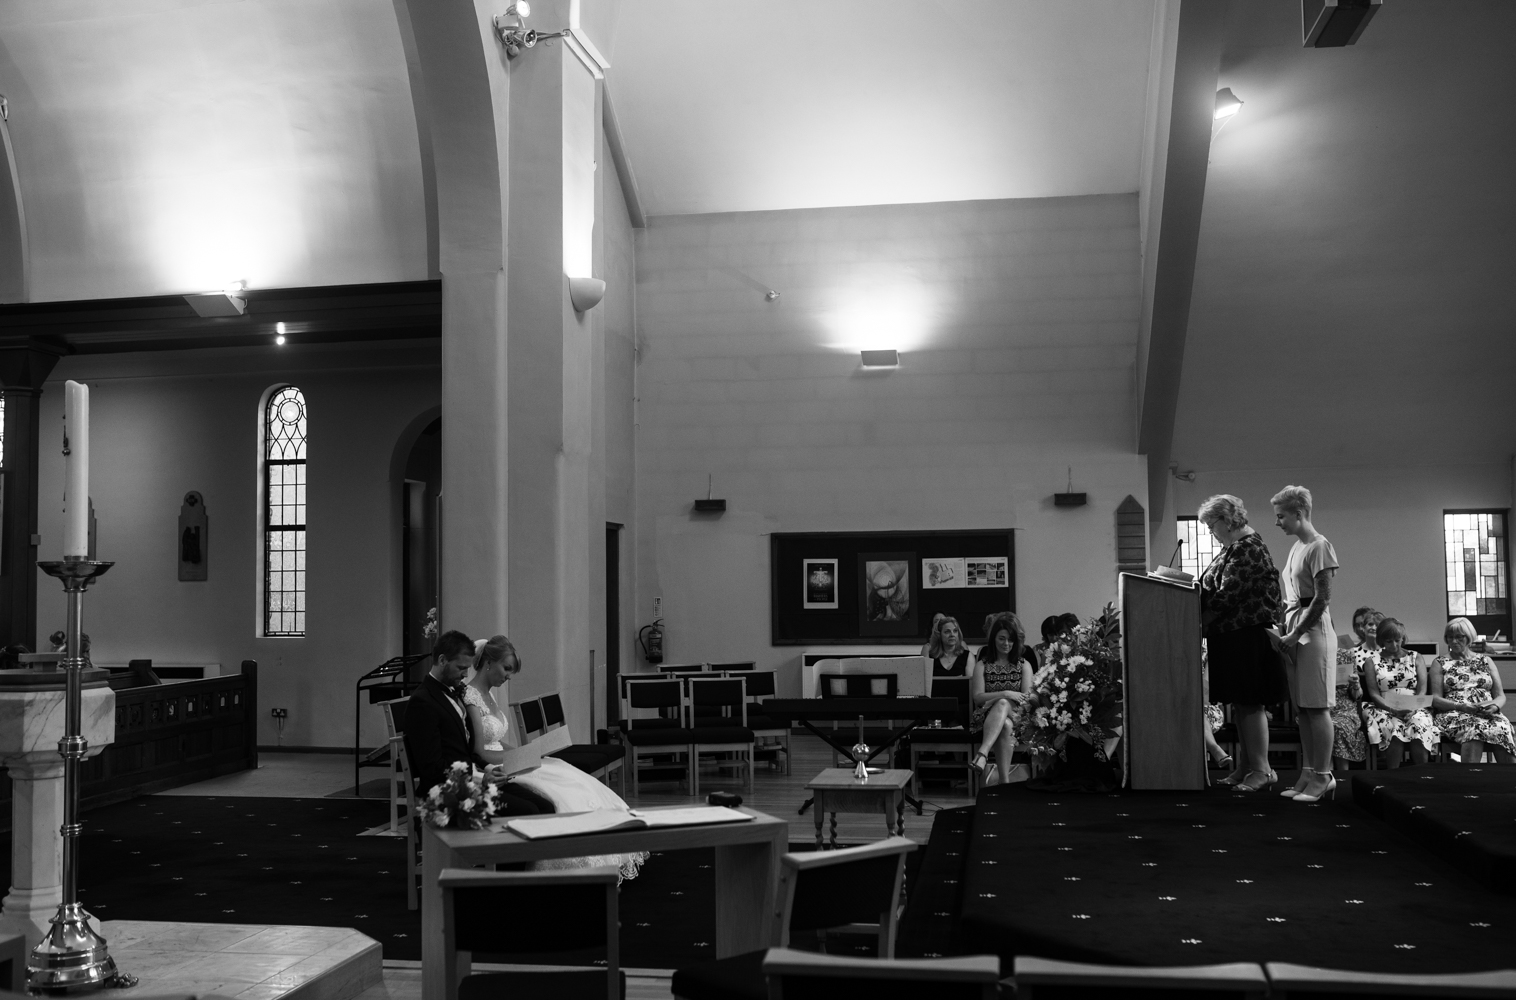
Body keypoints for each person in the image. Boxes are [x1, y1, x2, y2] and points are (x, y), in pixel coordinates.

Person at [462, 634, 646, 878]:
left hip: (503, 758)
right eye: (506, 669)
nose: (508, 676)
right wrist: (518, 759)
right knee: (558, 790)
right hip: (489, 766)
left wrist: (526, 752)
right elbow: (480, 750)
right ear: (488, 662)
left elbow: (496, 741)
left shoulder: (490, 694)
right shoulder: (470, 696)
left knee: (571, 777)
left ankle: (605, 848)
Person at [403, 629, 551, 816]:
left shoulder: (453, 693)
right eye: (461, 668)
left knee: (545, 806)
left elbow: (467, 748)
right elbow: (432, 769)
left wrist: (489, 769)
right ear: (442, 661)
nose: (466, 674)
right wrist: (481, 779)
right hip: (449, 792)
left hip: (475, 778)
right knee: (530, 811)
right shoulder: (422, 702)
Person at [1197, 494, 1285, 793]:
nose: (1211, 530)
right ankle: (1247, 767)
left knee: (1250, 702)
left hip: (1248, 633)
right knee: (1242, 703)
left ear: (1227, 519)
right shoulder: (1235, 547)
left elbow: (1228, 593)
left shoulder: (1248, 548)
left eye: (1212, 524)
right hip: (1234, 634)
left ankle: (1262, 770)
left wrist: (1203, 619)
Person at [1273, 485, 1340, 802]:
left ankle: (1324, 776)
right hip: (1294, 626)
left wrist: (1295, 633)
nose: (1278, 522)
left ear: (1298, 514)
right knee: (1302, 709)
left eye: (1281, 516)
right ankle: (1308, 771)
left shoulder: (1319, 545)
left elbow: (1322, 599)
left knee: (1317, 707)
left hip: (1312, 633)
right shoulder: (1296, 548)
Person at [1429, 617, 1516, 764]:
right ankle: (1471, 780)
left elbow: (1500, 695)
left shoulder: (1486, 660)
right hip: (1454, 712)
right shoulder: (1439, 663)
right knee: (1473, 729)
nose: (1454, 641)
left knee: (1503, 728)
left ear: (1469, 637)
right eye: (1450, 637)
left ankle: (1508, 781)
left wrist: (1494, 707)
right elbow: (1435, 699)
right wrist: (1461, 706)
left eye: (1459, 637)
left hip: (1486, 712)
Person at [1360, 617, 1436, 767]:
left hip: (1414, 706)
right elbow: (1374, 694)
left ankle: (1423, 776)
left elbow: (1422, 689)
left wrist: (1413, 708)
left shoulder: (1416, 657)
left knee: (1418, 725)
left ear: (1402, 638)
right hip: (1384, 707)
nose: (1394, 645)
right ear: (1381, 640)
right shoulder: (1371, 661)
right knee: (1394, 728)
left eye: (1397, 640)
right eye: (1389, 641)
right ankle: (1393, 776)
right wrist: (1393, 710)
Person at [969, 612, 1035, 782]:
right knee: (1005, 723)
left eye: (1010, 640)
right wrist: (1004, 693)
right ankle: (1004, 782)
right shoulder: (982, 665)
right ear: (993, 639)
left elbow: (1027, 700)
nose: (1007, 644)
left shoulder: (1024, 665)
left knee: (1004, 705)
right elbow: (977, 698)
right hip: (988, 716)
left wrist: (1005, 700)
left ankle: (982, 754)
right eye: (1002, 638)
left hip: (1018, 715)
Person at [1329, 607, 1376, 775]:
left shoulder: (1346, 655)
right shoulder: (1307, 657)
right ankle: (1324, 774)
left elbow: (1357, 695)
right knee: (1323, 724)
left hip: (1343, 707)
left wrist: (1355, 685)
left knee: (1338, 726)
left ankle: (1343, 776)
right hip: (1319, 707)